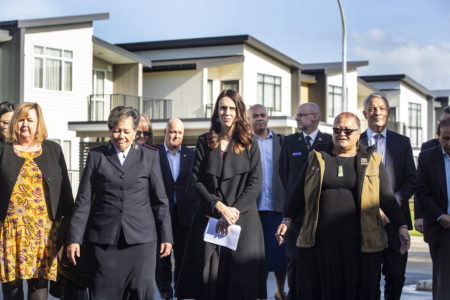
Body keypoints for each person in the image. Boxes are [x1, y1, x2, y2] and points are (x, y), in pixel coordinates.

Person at [276, 112, 410, 300]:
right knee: (318, 291)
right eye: (337, 130)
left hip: (360, 243)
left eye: (348, 130)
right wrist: (287, 219)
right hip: (320, 243)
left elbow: (386, 197)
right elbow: (299, 192)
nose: (342, 134)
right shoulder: (317, 157)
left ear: (358, 133)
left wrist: (402, 226)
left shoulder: (372, 160)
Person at [67, 106, 173, 300]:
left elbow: (160, 200)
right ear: (109, 131)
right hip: (104, 242)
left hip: (141, 243)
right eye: (116, 130)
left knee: (140, 294)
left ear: (135, 132)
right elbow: (83, 200)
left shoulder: (149, 156)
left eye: (126, 131)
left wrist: (166, 235)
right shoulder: (96, 156)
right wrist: (75, 238)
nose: (121, 135)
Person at [175, 90, 266, 300]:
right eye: (223, 107)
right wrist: (219, 207)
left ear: (239, 112)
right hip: (211, 218)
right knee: (209, 280)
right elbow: (195, 181)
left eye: (232, 108)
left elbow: (255, 182)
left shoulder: (250, 142)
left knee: (241, 284)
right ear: (216, 111)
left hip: (243, 220)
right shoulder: (204, 141)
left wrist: (232, 212)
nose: (227, 112)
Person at [0, 102, 74, 300]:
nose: (25, 125)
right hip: (10, 233)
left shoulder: (53, 150)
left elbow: (65, 190)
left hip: (42, 232)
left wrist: (69, 225)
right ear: (14, 123)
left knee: (38, 290)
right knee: (12, 291)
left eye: (30, 120)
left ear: (38, 123)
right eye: (21, 120)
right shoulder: (3, 150)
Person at [360, 92, 417, 300]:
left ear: (388, 113)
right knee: (368, 277)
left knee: (395, 275)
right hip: (364, 221)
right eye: (372, 109)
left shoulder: (402, 142)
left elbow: (412, 179)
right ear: (365, 113)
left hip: (396, 222)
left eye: (382, 108)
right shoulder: (355, 142)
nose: (377, 113)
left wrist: (389, 207)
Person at [278, 102, 331, 299]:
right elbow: (284, 174)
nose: (297, 118)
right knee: (294, 260)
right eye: (297, 115)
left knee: (317, 262)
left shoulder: (328, 142)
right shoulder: (290, 142)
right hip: (295, 216)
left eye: (301, 115)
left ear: (315, 117)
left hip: (320, 214)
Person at [156, 118, 197, 300]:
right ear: (165, 133)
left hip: (185, 215)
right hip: (161, 215)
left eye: (179, 132)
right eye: (172, 131)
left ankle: (180, 291)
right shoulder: (154, 155)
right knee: (162, 258)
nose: (176, 135)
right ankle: (165, 292)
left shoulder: (192, 155)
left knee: (182, 257)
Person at [248, 104, 287, 300]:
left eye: (263, 115)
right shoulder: (244, 142)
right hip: (253, 210)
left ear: (268, 117)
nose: (260, 118)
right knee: (258, 258)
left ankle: (280, 291)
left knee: (280, 256)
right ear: (249, 119)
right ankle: (260, 294)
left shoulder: (282, 141)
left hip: (277, 207)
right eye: (255, 116)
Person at [417, 117, 450, 300]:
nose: (449, 143)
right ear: (438, 136)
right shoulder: (427, 157)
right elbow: (422, 191)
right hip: (441, 229)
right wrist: (440, 216)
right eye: (445, 138)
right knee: (443, 284)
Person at [414, 105, 450, 234]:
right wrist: (419, 216)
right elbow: (421, 188)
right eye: (444, 122)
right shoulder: (427, 153)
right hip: (438, 225)